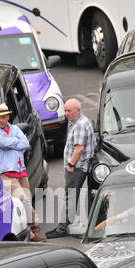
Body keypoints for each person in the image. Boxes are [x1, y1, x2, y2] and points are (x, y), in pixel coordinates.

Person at [0, 103, 45, 242]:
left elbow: (25, 144)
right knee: (22, 199)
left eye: (3, 117)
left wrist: (11, 142)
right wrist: (14, 142)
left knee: (26, 200)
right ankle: (34, 223)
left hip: (20, 170)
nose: (1, 120)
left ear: (8, 116)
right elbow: (3, 143)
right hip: (5, 173)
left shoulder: (13, 129)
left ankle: (30, 234)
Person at [46, 98, 95, 238]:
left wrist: (70, 165)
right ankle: (67, 225)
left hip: (76, 167)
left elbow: (79, 149)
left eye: (69, 111)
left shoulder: (80, 124)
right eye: (65, 110)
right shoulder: (79, 121)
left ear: (78, 110)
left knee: (70, 197)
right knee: (71, 197)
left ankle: (62, 229)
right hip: (78, 167)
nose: (66, 114)